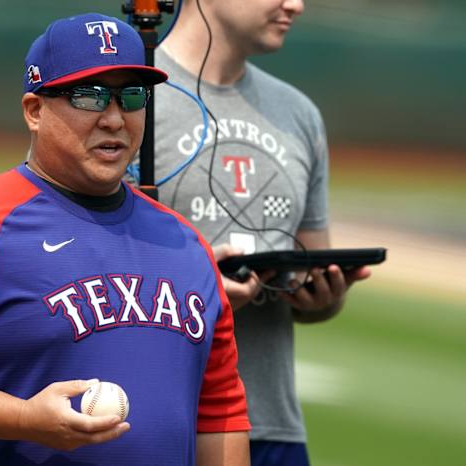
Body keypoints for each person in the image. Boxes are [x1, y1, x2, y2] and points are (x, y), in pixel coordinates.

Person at [0, 12, 251, 466]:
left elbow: (219, 409)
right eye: (89, 96)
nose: (114, 118)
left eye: (131, 96)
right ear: (35, 111)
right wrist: (23, 418)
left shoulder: (184, 244)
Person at [152, 1, 371, 464]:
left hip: (272, 428)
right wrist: (197, 291)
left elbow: (312, 270)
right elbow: (74, 268)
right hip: (155, 424)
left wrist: (323, 298)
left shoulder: (299, 114)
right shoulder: (131, 94)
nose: (296, 4)